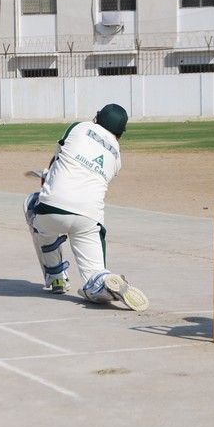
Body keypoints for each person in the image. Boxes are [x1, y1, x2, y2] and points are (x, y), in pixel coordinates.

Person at [23, 103, 149, 311]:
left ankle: (56, 277)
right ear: (120, 133)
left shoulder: (78, 127)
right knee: (94, 274)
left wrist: (47, 177)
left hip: (52, 211)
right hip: (89, 218)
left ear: (96, 118)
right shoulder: (117, 157)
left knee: (31, 204)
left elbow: (57, 160)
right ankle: (103, 281)